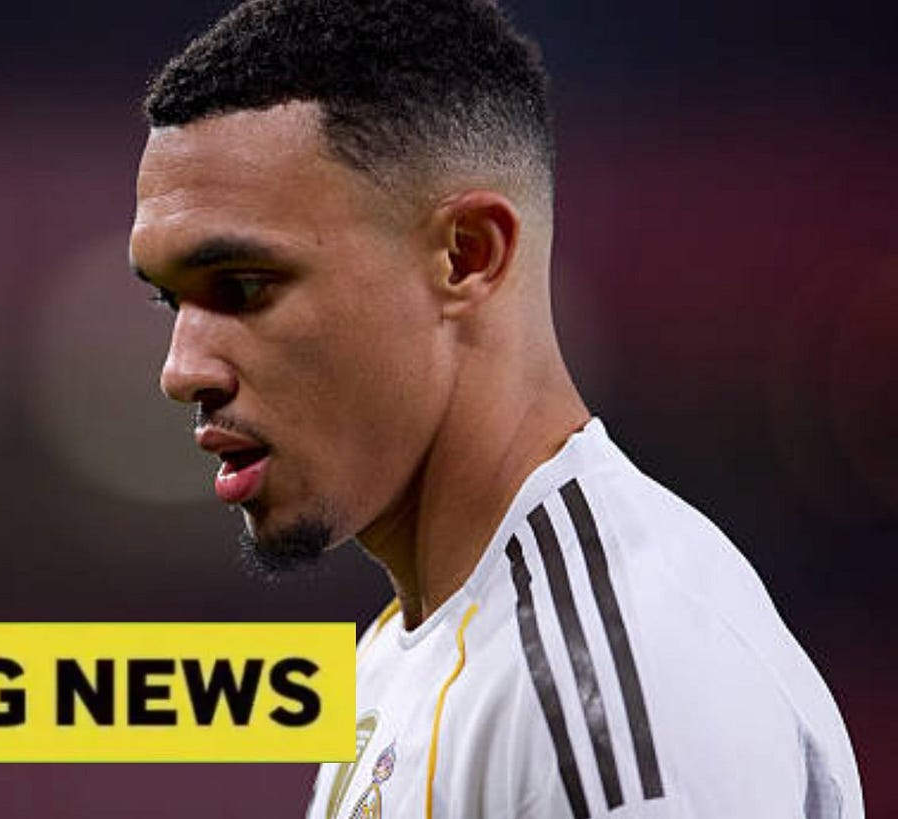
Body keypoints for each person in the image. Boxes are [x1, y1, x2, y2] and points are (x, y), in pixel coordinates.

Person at [128, 0, 864, 816]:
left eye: (242, 286)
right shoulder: (407, 653)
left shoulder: (611, 681)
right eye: (172, 301)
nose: (181, 371)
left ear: (466, 255)